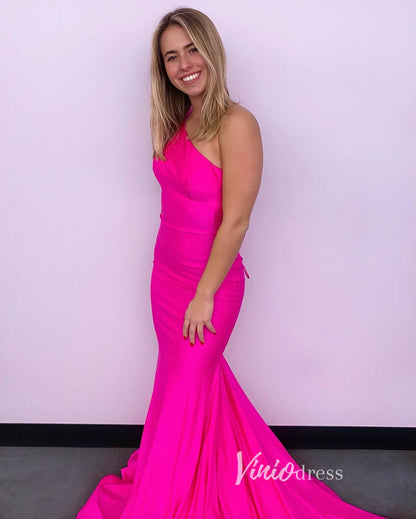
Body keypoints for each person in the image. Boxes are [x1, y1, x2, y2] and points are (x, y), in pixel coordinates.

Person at [77, 7, 390, 518]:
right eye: (171, 57)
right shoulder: (178, 121)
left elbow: (237, 221)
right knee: (184, 388)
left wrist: (204, 295)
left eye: (192, 50)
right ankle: (196, 473)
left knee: (184, 391)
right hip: (165, 280)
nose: (184, 64)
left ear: (212, 51)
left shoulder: (237, 123)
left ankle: (166, 498)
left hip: (210, 287)